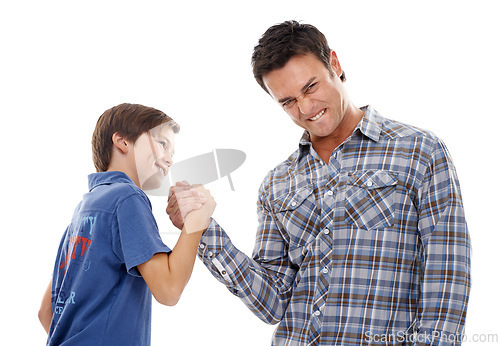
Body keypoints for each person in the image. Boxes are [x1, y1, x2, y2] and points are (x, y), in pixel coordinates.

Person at [167, 21, 471, 345]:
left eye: (310, 87)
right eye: (287, 101)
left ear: (335, 65)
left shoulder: (419, 151)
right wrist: (203, 229)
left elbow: (447, 277)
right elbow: (273, 303)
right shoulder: (277, 184)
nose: (306, 108)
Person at [38, 103, 214, 345]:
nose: (170, 159)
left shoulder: (84, 210)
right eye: (162, 143)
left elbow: (46, 313)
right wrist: (196, 219)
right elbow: (169, 289)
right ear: (122, 142)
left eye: (172, 151)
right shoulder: (128, 198)